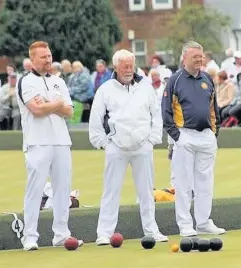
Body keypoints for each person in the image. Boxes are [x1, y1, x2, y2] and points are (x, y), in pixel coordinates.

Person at [89, 49, 168, 245]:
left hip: (143, 146)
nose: (128, 69)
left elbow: (156, 115)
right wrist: (104, 144)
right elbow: (96, 119)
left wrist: (152, 140)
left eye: (131, 65)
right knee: (111, 191)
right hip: (116, 147)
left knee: (146, 192)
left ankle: (152, 230)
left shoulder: (146, 87)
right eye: (124, 66)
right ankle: (104, 233)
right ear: (115, 66)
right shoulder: (105, 89)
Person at [16, 41, 83, 251]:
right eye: (43, 56)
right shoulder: (25, 82)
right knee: (35, 189)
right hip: (37, 141)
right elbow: (36, 110)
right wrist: (56, 104)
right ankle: (30, 236)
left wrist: (48, 103)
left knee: (62, 189)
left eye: (49, 55)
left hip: (61, 141)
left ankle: (61, 234)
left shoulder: (58, 82)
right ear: (32, 59)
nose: (48, 59)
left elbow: (69, 112)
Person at [162, 41, 226, 237]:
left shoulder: (207, 78)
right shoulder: (175, 80)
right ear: (185, 58)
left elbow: (214, 109)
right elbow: (166, 112)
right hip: (184, 136)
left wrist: (214, 134)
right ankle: (185, 225)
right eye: (195, 57)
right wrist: (177, 137)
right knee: (183, 184)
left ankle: (204, 222)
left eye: (201, 57)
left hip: (206, 136)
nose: (199, 60)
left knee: (205, 182)